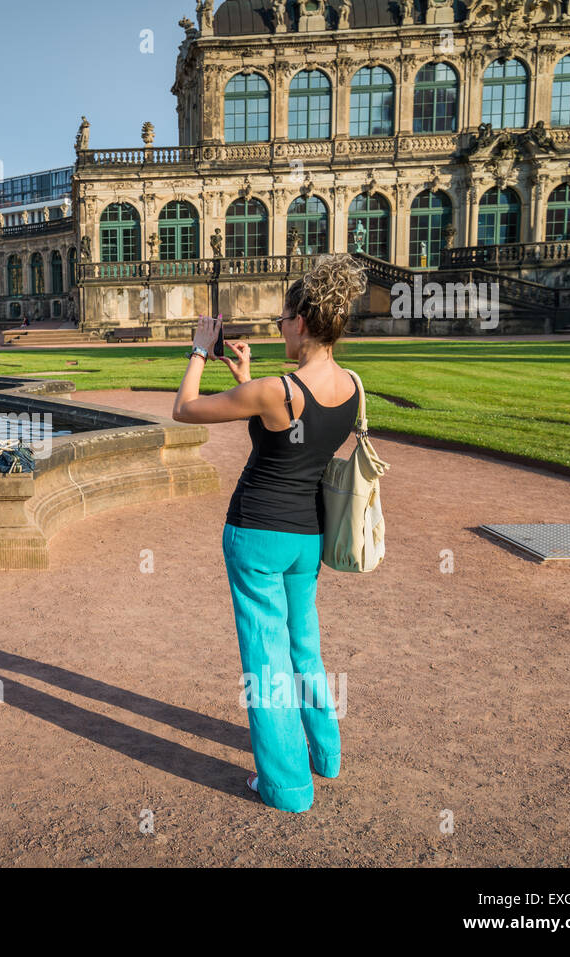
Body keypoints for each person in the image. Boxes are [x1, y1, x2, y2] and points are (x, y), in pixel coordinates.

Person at [171, 253, 368, 814]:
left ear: (302, 322)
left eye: (284, 318)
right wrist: (244, 379)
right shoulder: (352, 384)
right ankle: (324, 756)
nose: (281, 326)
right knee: (305, 647)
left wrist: (197, 349)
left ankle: (286, 786)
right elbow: (297, 437)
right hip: (307, 537)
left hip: (256, 532)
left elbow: (184, 409)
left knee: (266, 656)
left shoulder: (276, 391)